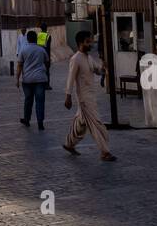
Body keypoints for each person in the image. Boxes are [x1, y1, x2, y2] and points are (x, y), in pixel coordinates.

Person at [63, 30, 114, 160]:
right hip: (84, 99)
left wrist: (103, 68)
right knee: (96, 124)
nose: (90, 44)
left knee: (80, 123)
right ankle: (105, 152)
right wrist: (68, 96)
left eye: (90, 41)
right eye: (88, 42)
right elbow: (70, 78)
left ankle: (69, 144)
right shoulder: (75, 59)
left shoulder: (88, 58)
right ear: (80, 43)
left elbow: (97, 70)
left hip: (91, 96)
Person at [16, 30, 49, 129]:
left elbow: (19, 65)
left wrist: (17, 79)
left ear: (27, 39)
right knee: (40, 101)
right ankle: (40, 122)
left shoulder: (23, 50)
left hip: (27, 80)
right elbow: (47, 62)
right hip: (40, 79)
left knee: (28, 100)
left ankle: (27, 119)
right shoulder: (41, 50)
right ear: (36, 39)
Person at [37, 23, 52, 88]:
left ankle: (40, 84)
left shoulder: (38, 35)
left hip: (39, 55)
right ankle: (47, 85)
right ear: (46, 28)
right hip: (46, 55)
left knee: (39, 70)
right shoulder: (48, 36)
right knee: (47, 71)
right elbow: (48, 47)